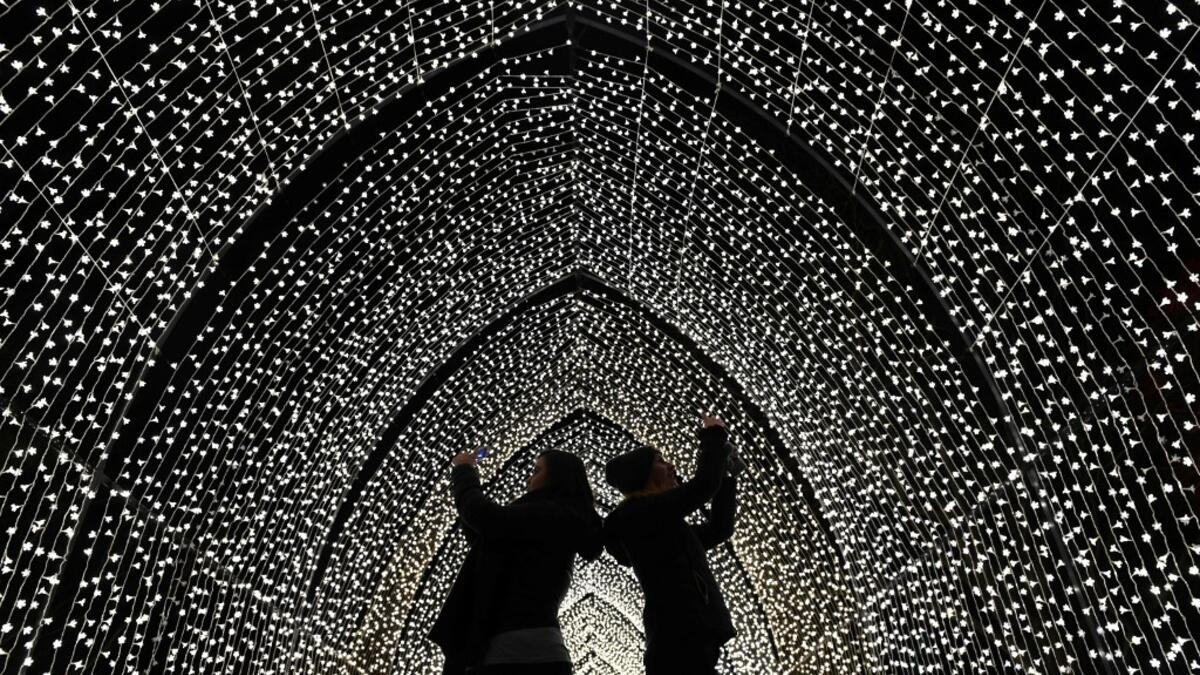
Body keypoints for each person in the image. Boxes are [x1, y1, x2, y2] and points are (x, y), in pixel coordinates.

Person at [429, 448, 603, 675]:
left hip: (511, 654)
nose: (529, 478)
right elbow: (485, 535)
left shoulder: (551, 515)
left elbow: (485, 518)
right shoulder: (556, 519)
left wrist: (464, 471)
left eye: (537, 470)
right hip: (529, 651)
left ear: (558, 477)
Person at [602, 414, 739, 675]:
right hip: (679, 637)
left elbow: (718, 529)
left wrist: (727, 476)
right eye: (660, 461)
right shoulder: (638, 515)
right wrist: (713, 435)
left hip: (688, 637)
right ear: (643, 474)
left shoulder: (661, 523)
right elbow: (702, 486)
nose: (671, 466)